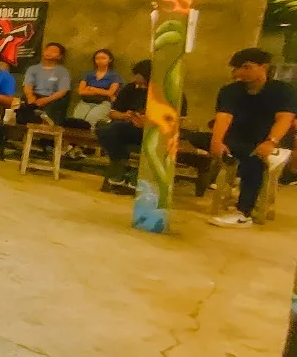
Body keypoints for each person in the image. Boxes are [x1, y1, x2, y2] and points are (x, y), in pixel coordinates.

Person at [208, 48, 297, 228]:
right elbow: (224, 117)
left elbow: (284, 118)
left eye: (246, 67)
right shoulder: (230, 91)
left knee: (254, 160)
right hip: (238, 140)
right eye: (237, 68)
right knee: (192, 137)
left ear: (264, 67)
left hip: (272, 142)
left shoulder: (282, 90)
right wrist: (217, 141)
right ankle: (234, 181)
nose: (240, 73)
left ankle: (243, 213)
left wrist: (271, 142)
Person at [96, 59, 188, 193]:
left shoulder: (171, 92)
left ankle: (137, 173)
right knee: (105, 129)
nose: (134, 79)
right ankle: (120, 164)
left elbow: (177, 122)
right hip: (130, 128)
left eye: (137, 75)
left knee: (153, 140)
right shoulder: (130, 88)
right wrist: (125, 116)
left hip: (156, 133)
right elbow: (113, 113)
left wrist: (150, 123)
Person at [17, 42, 72, 125]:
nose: (49, 53)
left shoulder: (63, 71)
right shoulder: (33, 69)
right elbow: (28, 86)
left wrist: (46, 100)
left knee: (52, 112)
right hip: (36, 96)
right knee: (21, 107)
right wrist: (30, 96)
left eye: (53, 51)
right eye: (48, 50)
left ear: (60, 56)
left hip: (52, 99)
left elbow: (63, 91)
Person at [73, 49, 122, 125]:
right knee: (77, 121)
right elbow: (81, 91)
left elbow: (110, 93)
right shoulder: (88, 74)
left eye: (103, 58)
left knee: (91, 120)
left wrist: (91, 88)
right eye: (97, 58)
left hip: (103, 102)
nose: (100, 60)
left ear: (110, 60)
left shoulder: (114, 76)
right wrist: (102, 91)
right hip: (85, 101)